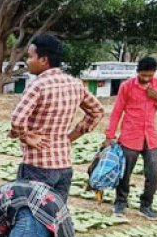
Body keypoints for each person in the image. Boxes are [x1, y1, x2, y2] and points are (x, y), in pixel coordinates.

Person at [10, 34, 104, 201]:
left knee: (30, 215)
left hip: (37, 166)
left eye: (30, 56)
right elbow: (97, 111)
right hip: (63, 166)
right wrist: (71, 136)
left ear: (44, 60)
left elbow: (17, 120)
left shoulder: (37, 85)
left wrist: (26, 137)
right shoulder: (75, 84)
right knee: (56, 216)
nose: (27, 61)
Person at [104, 56, 157, 219]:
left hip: (151, 137)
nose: (146, 78)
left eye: (150, 75)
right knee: (125, 173)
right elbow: (117, 111)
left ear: (154, 73)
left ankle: (146, 205)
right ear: (138, 72)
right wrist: (110, 135)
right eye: (143, 75)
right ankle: (120, 203)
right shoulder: (127, 86)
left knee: (153, 173)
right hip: (129, 136)